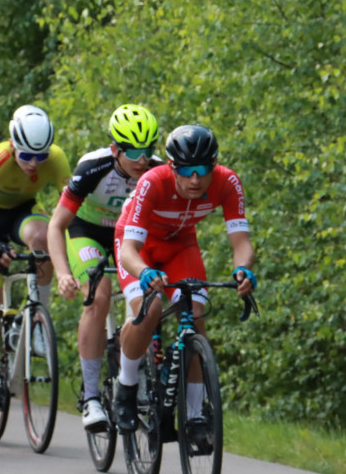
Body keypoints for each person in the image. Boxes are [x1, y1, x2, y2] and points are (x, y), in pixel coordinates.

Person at [112, 124, 256, 435]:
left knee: (196, 317)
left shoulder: (228, 182)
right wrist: (145, 273)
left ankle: (195, 416)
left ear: (213, 166)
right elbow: (128, 251)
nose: (195, 179)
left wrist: (242, 269)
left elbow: (241, 241)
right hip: (138, 246)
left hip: (181, 245)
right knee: (148, 310)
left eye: (203, 169)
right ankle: (125, 386)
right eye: (186, 170)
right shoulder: (153, 182)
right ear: (171, 166)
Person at [46, 104, 161, 431]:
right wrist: (62, 272)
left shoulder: (157, 170)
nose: (143, 159)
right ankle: (92, 396)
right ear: (114, 149)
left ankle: (133, 364)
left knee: (149, 297)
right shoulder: (92, 167)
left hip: (132, 235)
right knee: (99, 296)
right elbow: (56, 226)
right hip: (89, 232)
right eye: (134, 151)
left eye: (149, 149)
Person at [0, 104, 70, 422]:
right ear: (13, 145)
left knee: (45, 237)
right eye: (26, 156)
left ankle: (38, 315)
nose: (34, 163)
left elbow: (72, 207)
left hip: (21, 213)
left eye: (41, 155)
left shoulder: (57, 158)